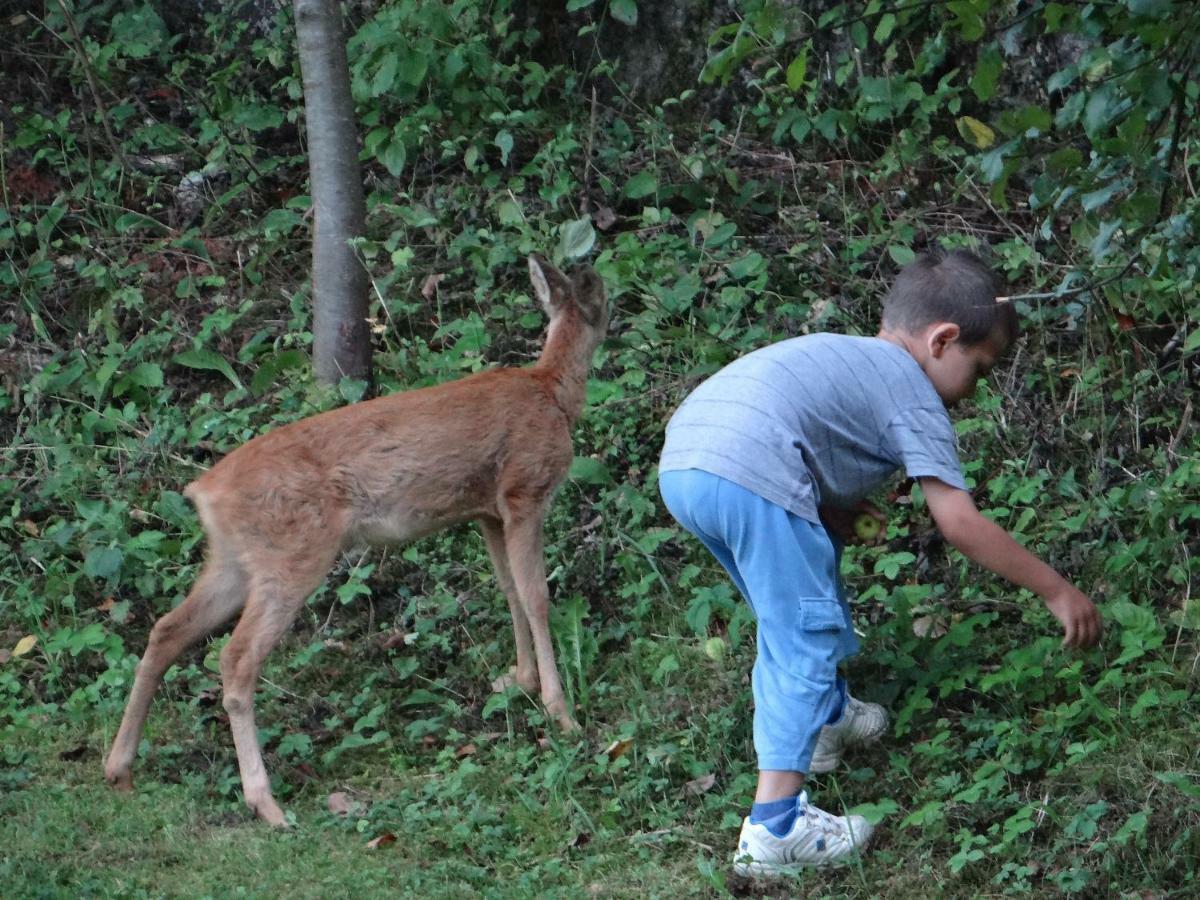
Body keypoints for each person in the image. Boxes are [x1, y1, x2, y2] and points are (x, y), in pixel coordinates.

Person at [657, 248, 1103, 877]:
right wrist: (1057, 589)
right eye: (980, 369)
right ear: (943, 340)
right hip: (750, 468)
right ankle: (775, 829)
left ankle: (828, 718)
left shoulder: (846, 353)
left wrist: (825, 503)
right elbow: (960, 523)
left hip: (688, 464)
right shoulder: (911, 388)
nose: (974, 392)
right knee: (800, 634)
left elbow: (796, 421)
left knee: (795, 599)